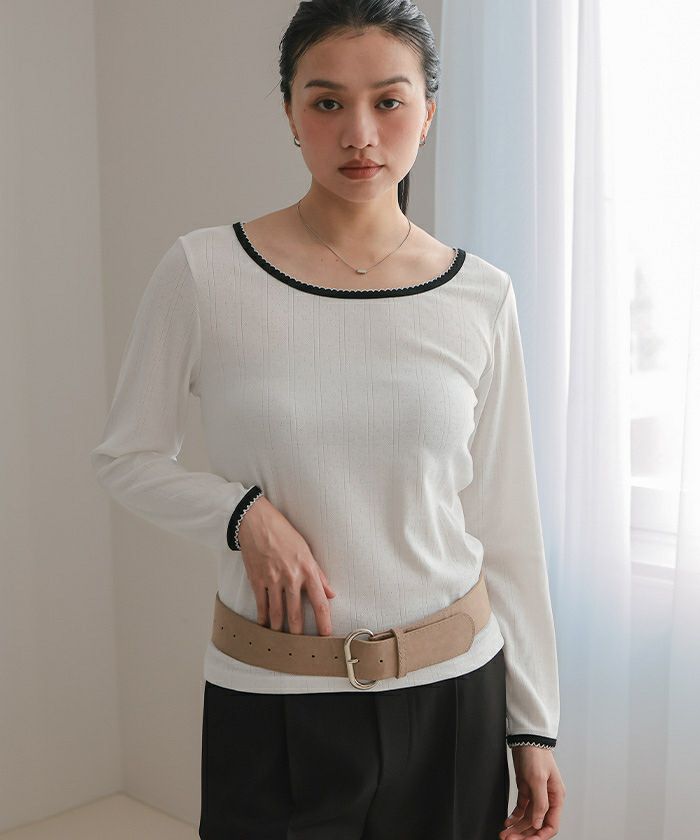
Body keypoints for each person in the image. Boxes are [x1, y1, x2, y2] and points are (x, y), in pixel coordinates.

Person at [90, 1, 566, 838]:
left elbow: (504, 525)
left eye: (389, 101)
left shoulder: (481, 296)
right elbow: (126, 458)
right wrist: (241, 515)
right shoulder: (204, 272)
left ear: (428, 114)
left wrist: (532, 725)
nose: (359, 134)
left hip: (454, 694)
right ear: (289, 113)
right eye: (326, 102)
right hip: (273, 695)